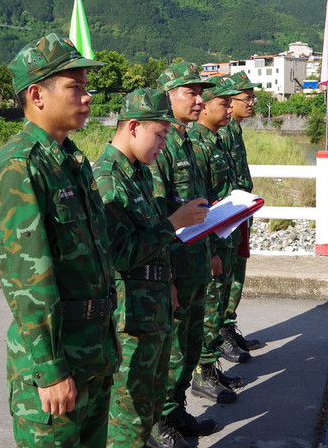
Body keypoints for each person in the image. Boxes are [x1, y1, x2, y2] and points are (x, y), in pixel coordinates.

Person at [0, 33, 120, 448]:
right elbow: (27, 279)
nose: (87, 97)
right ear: (37, 95)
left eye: (86, 87)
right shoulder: (18, 166)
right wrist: (49, 368)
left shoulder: (72, 160)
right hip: (58, 358)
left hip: (95, 349)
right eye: (75, 87)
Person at [93, 89, 210, 448]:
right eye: (159, 134)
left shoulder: (137, 172)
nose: (163, 144)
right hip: (130, 319)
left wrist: (170, 281)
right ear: (132, 127)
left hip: (153, 307)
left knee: (149, 406)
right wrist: (173, 223)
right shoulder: (108, 178)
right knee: (127, 415)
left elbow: (150, 245)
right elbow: (121, 253)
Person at [148, 62, 239, 442]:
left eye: (202, 93)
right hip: (175, 265)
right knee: (169, 353)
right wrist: (165, 275)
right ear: (168, 97)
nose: (200, 100)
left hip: (197, 261)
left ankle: (180, 410)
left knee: (187, 348)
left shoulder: (188, 141)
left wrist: (213, 247)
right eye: (191, 92)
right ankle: (161, 422)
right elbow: (156, 216)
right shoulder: (161, 146)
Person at [188, 77, 250, 398]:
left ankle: (210, 367)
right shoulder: (197, 144)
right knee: (210, 308)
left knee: (218, 302)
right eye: (223, 103)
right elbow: (200, 202)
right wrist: (210, 247)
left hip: (226, 233)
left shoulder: (216, 140)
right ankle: (203, 372)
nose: (228, 108)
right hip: (213, 239)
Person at [217, 70, 262, 355]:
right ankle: (219, 335)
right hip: (227, 217)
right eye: (246, 98)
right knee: (224, 278)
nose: (252, 102)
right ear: (229, 102)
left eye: (252, 97)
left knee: (236, 273)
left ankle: (228, 325)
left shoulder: (234, 129)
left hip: (239, 214)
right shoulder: (221, 131)